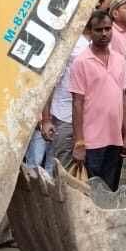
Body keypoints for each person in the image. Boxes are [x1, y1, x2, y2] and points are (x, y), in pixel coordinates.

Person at [69, 9, 126, 190]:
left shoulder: (119, 59)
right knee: (91, 192)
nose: (104, 33)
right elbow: (77, 103)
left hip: (115, 139)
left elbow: (121, 96)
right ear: (90, 32)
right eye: (99, 30)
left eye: (107, 28)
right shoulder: (81, 62)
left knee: (110, 190)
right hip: (91, 141)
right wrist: (79, 142)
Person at [41, 20, 90, 166]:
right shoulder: (68, 44)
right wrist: (46, 119)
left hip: (91, 120)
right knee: (64, 168)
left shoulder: (100, 44)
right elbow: (49, 83)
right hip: (65, 117)